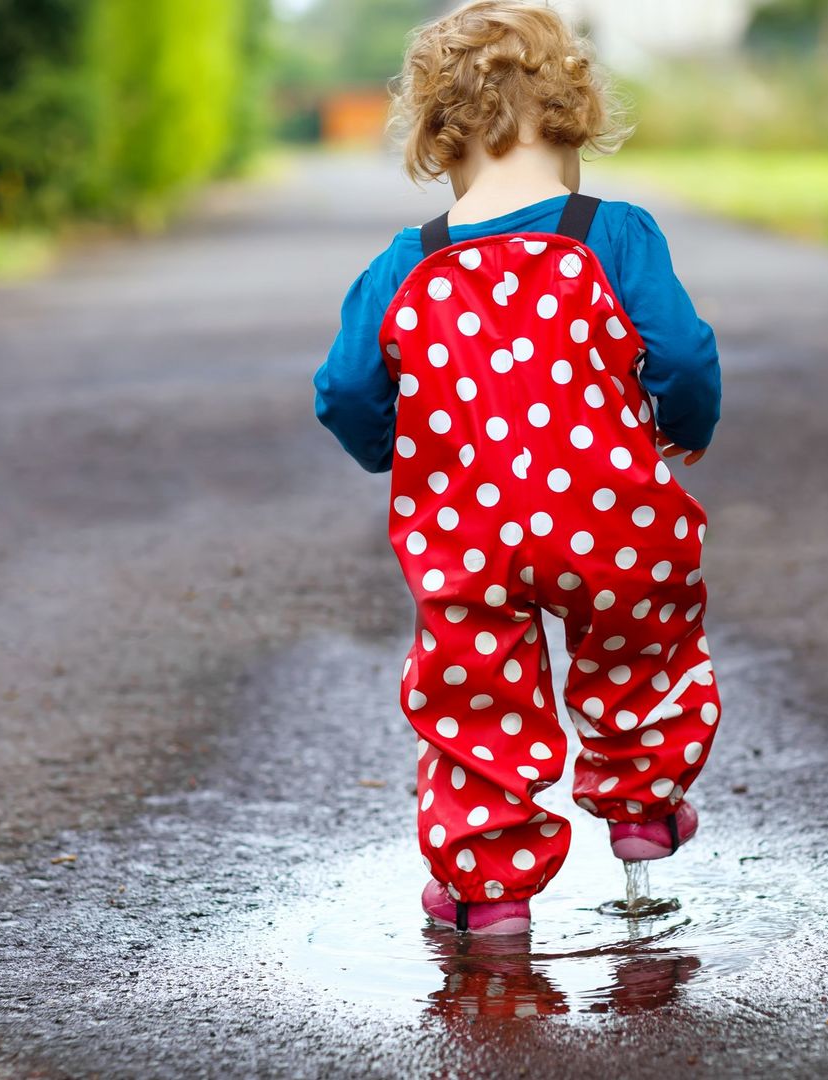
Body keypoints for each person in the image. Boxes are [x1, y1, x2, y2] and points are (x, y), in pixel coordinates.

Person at [314, 0, 722, 936]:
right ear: (576, 123)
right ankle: (644, 810)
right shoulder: (612, 236)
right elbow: (686, 356)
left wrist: (395, 447)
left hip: (467, 537)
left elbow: (343, 392)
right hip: (614, 519)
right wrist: (685, 422)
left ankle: (491, 892)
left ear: (437, 141)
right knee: (640, 651)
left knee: (476, 699)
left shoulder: (402, 268)